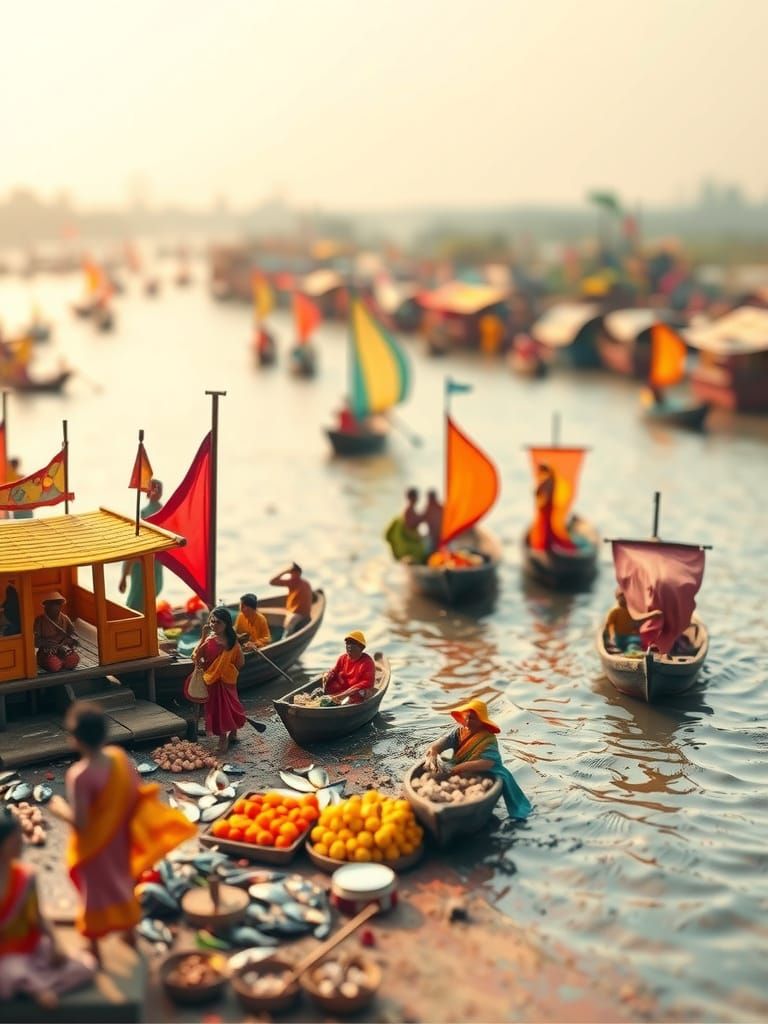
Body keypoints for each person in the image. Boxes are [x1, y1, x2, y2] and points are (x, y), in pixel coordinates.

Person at [48, 703, 196, 962]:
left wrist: (59, 809)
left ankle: (94, 949)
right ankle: (130, 935)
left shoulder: (79, 775)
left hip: (94, 847)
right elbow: (134, 794)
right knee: (122, 885)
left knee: (93, 895)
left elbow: (81, 823)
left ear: (74, 739)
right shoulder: (118, 757)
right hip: (119, 838)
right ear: (105, 733)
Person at [0, 811, 96, 1008]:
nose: (20, 844)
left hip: (34, 950)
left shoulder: (26, 876)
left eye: (19, 838)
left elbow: (38, 917)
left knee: (85, 967)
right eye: (14, 841)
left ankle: (35, 988)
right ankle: (36, 989)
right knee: (11, 972)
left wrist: (56, 943)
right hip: (6, 958)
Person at [425, 699, 532, 820]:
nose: (467, 720)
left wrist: (460, 768)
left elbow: (487, 763)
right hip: (457, 768)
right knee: (435, 770)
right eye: (466, 717)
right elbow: (445, 741)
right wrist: (434, 749)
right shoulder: (459, 732)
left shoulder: (488, 739)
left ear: (481, 721)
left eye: (472, 718)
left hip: (481, 773)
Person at [187, 607, 246, 755]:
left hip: (226, 681)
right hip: (212, 680)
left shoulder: (233, 643)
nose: (214, 625)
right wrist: (203, 636)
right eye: (212, 621)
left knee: (231, 707)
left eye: (218, 622)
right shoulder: (209, 640)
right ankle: (223, 738)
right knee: (217, 710)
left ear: (227, 624)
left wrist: (226, 670)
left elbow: (240, 662)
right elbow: (196, 656)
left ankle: (232, 733)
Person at [118, 480, 164, 612]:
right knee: (139, 600)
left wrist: (124, 575)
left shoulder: (154, 511)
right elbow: (137, 541)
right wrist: (124, 575)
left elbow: (139, 541)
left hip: (150, 562)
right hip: (144, 563)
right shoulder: (146, 512)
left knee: (139, 601)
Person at [323, 631, 376, 704]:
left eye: (353, 643)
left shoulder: (367, 662)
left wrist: (343, 695)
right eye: (348, 643)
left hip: (355, 692)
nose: (349, 646)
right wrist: (327, 675)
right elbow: (334, 671)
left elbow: (366, 683)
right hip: (342, 689)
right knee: (326, 684)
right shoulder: (342, 658)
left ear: (361, 647)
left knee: (359, 694)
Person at [33, 592, 80, 672]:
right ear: (46, 607)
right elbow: (35, 641)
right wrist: (48, 643)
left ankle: (63, 663)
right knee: (53, 664)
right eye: (51, 605)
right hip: (47, 652)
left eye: (57, 605)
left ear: (60, 607)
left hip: (63, 649)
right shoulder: (39, 620)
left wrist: (70, 640)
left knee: (74, 659)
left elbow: (73, 634)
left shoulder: (65, 618)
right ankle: (57, 664)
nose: (54, 608)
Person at [605, 589, 662, 654]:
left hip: (631, 636)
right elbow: (610, 625)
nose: (623, 599)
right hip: (619, 637)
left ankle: (632, 651)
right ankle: (624, 650)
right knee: (621, 644)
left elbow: (640, 619)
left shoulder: (632, 610)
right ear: (617, 598)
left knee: (634, 642)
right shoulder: (615, 611)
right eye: (621, 597)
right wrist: (612, 636)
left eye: (625, 596)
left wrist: (652, 615)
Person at [269, 563, 313, 636]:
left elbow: (272, 582)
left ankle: (284, 639)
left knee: (286, 630)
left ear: (296, 573)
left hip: (297, 615)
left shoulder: (294, 581)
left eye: (291, 572)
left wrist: (284, 571)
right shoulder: (305, 583)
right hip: (303, 614)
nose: (290, 574)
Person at [384, 488, 427, 563]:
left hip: (410, 543)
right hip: (408, 547)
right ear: (411, 497)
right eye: (416, 496)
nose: (417, 498)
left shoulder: (410, 510)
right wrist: (420, 538)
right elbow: (409, 531)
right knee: (428, 544)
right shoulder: (408, 511)